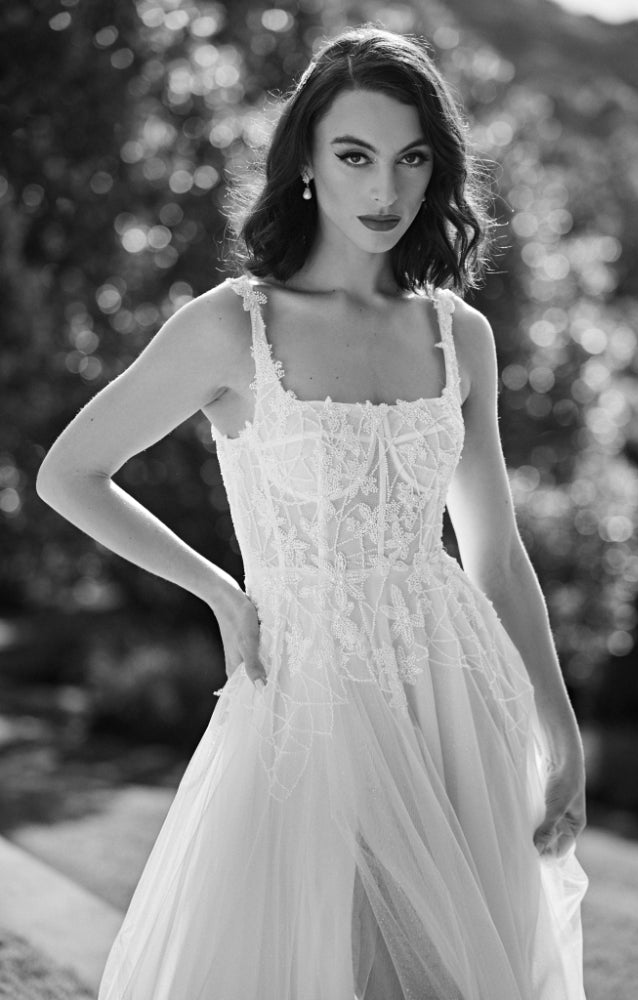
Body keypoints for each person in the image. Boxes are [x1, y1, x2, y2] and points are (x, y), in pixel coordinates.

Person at [36, 24, 589, 1000]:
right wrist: (220, 592)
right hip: (309, 698)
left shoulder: (458, 334)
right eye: (355, 155)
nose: (386, 189)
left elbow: (496, 553)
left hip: (456, 698)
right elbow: (71, 472)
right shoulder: (231, 325)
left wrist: (559, 727)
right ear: (305, 163)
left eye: (411, 158)